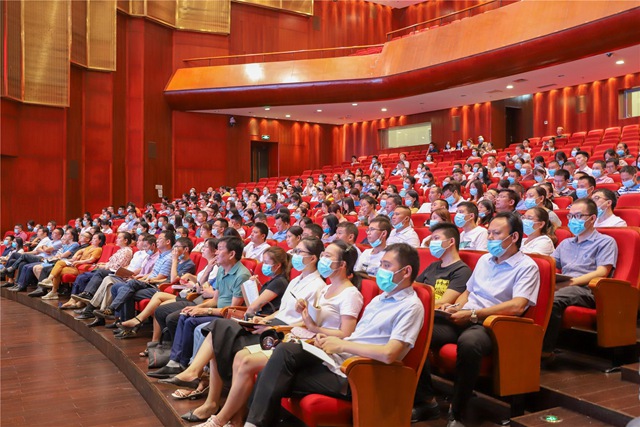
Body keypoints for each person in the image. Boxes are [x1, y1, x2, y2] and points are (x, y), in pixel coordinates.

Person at [242, 243, 424, 427]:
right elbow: (358, 337)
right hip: (340, 360)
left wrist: (342, 344)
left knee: (274, 375)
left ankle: (253, 423)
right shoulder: (379, 299)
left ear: (406, 271)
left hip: (360, 373)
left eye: (386, 265)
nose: (380, 270)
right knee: (285, 352)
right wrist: (329, 339)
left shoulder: (411, 306)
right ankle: (254, 423)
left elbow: (389, 353)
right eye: (381, 264)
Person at [183, 241, 363, 427]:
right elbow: (309, 321)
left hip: (316, 346)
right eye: (323, 254)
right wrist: (302, 316)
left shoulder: (349, 293)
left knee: (243, 356)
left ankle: (221, 419)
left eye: (328, 256)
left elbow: (345, 333)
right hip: (304, 337)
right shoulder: (326, 289)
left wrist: (309, 326)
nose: (323, 259)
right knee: (233, 348)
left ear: (342, 264)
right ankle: (234, 419)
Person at [413, 212, 540, 425]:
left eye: (496, 234)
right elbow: (468, 291)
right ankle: (426, 401)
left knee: (469, 343)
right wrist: (455, 306)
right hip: (466, 315)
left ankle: (458, 412)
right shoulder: (484, 260)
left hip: (492, 324)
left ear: (514, 237)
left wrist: (473, 314)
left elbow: (518, 306)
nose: (490, 238)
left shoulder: (527, 266)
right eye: (489, 233)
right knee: (418, 332)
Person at [147, 236, 250, 378]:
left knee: (191, 321)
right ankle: (174, 362)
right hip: (217, 310)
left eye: (220, 249)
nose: (216, 253)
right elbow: (215, 300)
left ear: (232, 254)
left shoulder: (242, 275)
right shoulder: (222, 270)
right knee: (185, 315)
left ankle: (184, 365)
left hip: (228, 317)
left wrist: (204, 310)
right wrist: (197, 308)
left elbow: (232, 310)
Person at [542, 199, 618, 359]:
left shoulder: (605, 242)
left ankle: (545, 351)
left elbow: (602, 272)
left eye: (578, 216)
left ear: (592, 218)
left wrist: (569, 283)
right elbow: (549, 265)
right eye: (570, 216)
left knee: (553, 300)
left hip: (589, 289)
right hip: (566, 286)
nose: (572, 220)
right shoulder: (566, 243)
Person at [416, 223, 472, 307]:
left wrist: (414, 304)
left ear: (451, 241)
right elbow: (415, 285)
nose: (432, 243)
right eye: (432, 239)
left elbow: (443, 301)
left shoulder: (462, 271)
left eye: (436, 238)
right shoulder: (433, 265)